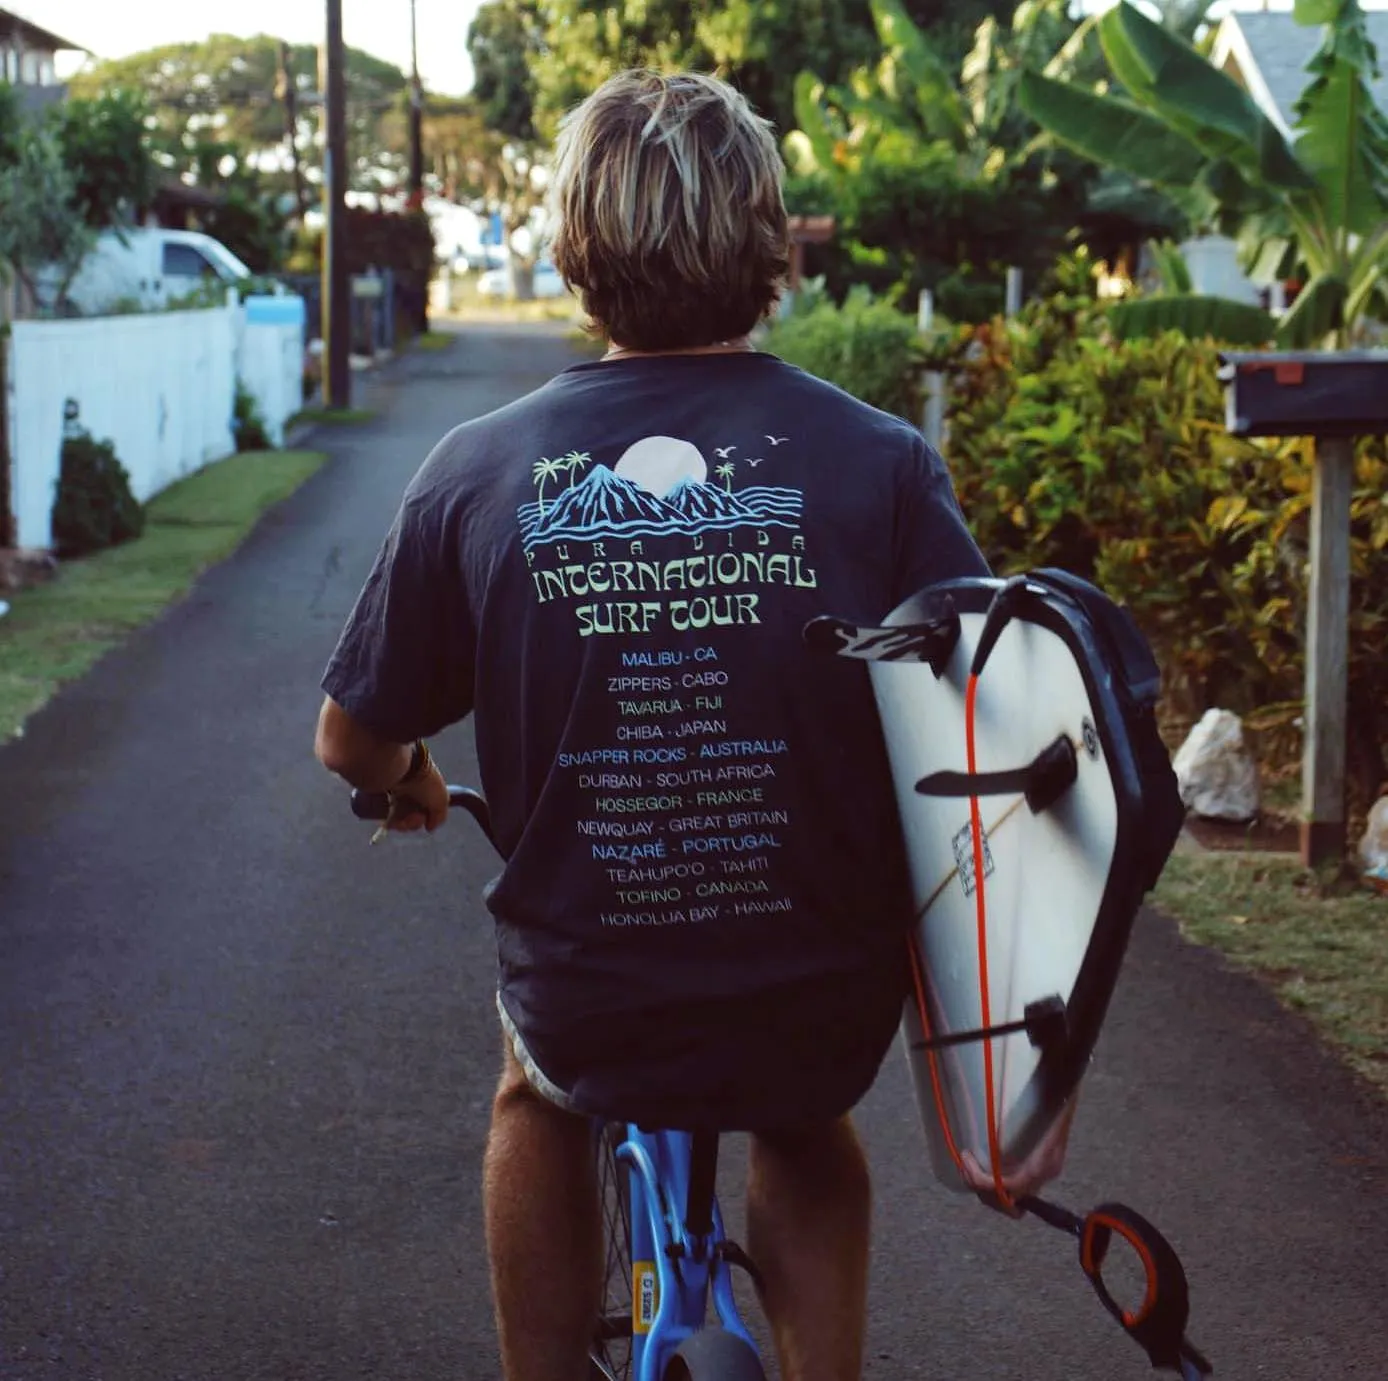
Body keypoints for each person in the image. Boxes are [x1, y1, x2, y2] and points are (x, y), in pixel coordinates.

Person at [315, 68, 1077, 1381]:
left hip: (592, 997)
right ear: (772, 245)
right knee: (808, 1132)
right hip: (816, 993)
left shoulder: (479, 470)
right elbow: (977, 703)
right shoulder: (879, 460)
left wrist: (407, 777)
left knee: (535, 1099)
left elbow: (351, 739)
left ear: (574, 249)